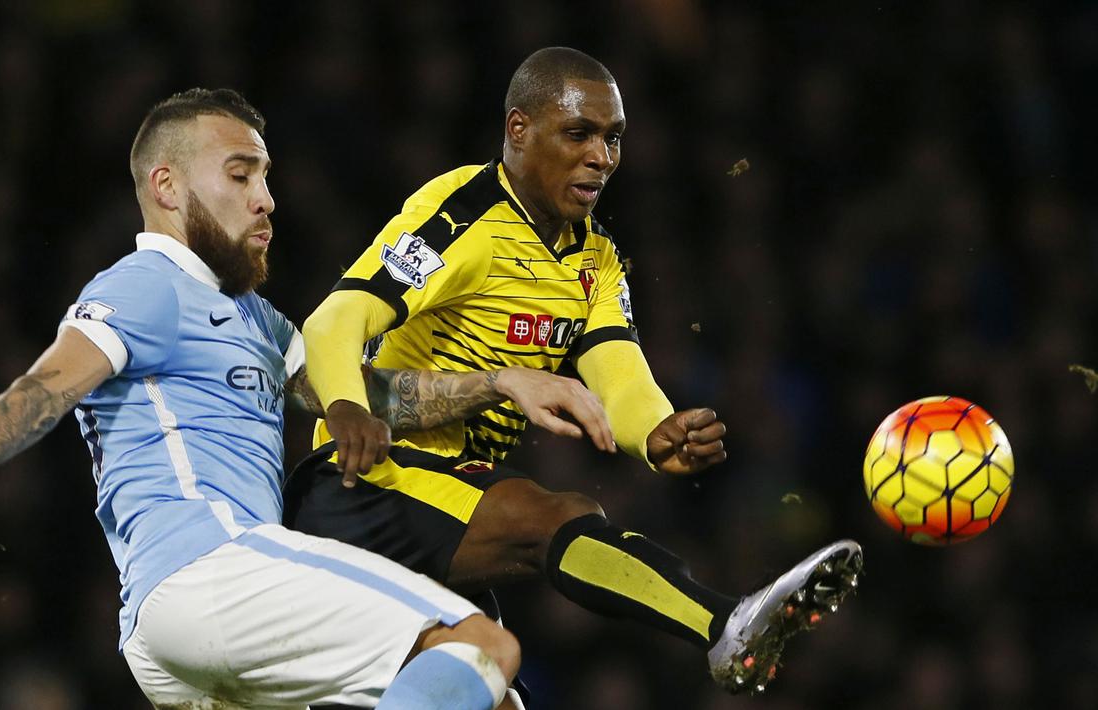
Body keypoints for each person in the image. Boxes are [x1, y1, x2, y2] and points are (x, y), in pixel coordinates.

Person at [0, 88, 609, 710]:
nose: (266, 199)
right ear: (167, 186)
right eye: (240, 175)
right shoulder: (149, 285)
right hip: (210, 567)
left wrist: (498, 382)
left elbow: (369, 395)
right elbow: (40, 391)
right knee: (480, 644)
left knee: (491, 700)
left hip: (184, 633)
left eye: (266, 178)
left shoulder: (253, 318)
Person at [286, 47, 864, 696]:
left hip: (451, 506)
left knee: (492, 695)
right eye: (578, 133)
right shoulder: (462, 217)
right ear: (518, 131)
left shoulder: (595, 257)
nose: (601, 156)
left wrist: (654, 432)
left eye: (613, 138)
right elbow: (334, 321)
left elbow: (617, 370)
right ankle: (722, 621)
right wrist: (344, 404)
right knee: (556, 516)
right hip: (369, 486)